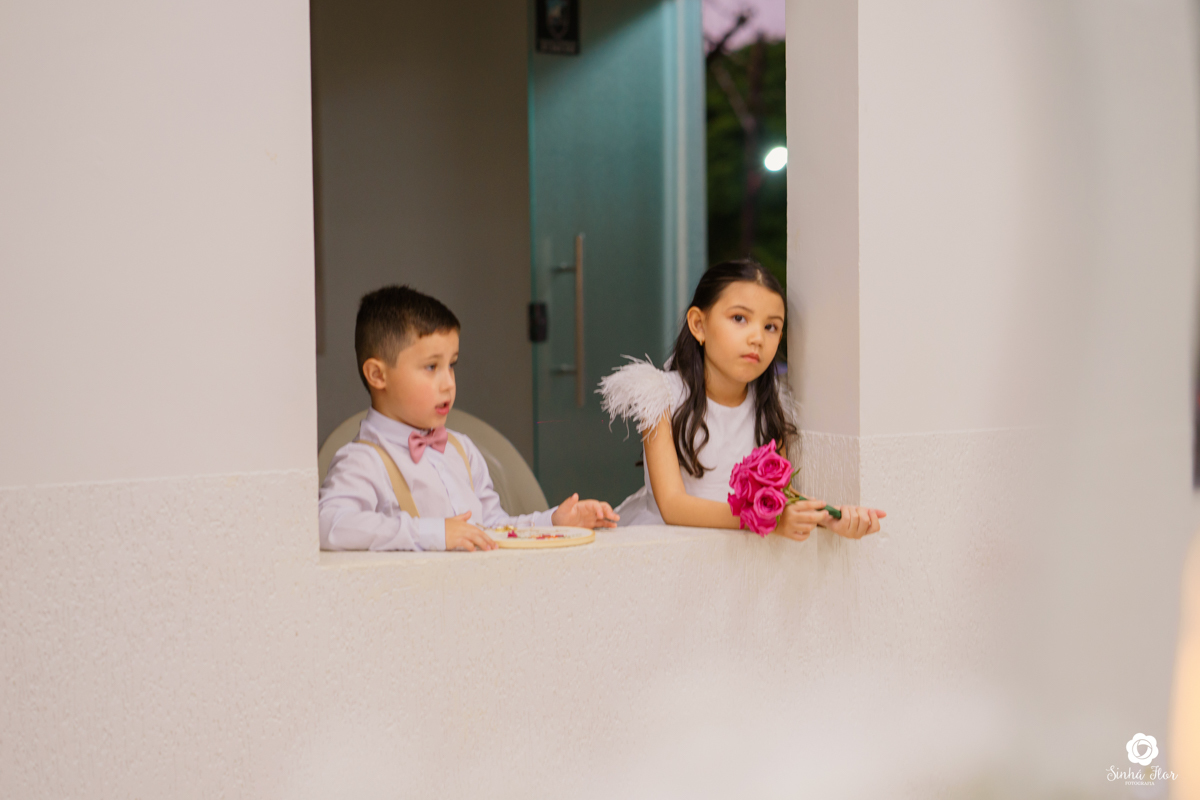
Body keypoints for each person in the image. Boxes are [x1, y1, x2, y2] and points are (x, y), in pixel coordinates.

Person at [598, 260, 884, 541]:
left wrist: (830, 519)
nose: (757, 338)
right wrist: (764, 519)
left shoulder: (772, 407)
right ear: (698, 324)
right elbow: (673, 506)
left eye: (771, 327)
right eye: (739, 318)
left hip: (739, 552)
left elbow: (781, 497)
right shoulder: (661, 397)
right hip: (671, 546)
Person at [320, 285, 619, 551]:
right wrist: (433, 533)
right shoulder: (362, 460)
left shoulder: (462, 449)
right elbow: (328, 524)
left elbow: (492, 527)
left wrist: (553, 522)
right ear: (377, 375)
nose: (448, 383)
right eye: (431, 367)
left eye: (451, 365)